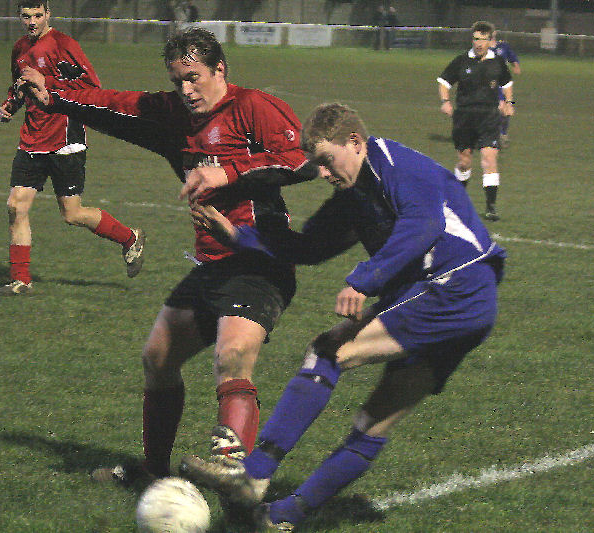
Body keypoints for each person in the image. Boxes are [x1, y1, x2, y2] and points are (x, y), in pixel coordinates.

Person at [180, 102, 506, 532]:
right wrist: (239, 236)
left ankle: (253, 476)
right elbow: (309, 248)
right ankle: (282, 518)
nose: (324, 173)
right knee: (373, 421)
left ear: (355, 142)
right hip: (460, 301)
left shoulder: (397, 165)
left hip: (454, 286)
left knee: (328, 351)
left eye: (327, 161)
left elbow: (423, 222)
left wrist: (364, 279)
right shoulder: (353, 196)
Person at [19, 27, 312, 481]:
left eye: (194, 77)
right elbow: (113, 105)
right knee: (157, 357)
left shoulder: (253, 106)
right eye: (178, 81)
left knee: (232, 354)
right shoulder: (175, 117)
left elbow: (302, 159)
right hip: (212, 265)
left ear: (220, 69)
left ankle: (234, 470)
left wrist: (229, 172)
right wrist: (53, 96)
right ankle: (152, 473)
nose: (187, 90)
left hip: (261, 261)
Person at [0, 0, 144, 295]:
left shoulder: (64, 44)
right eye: (26, 16)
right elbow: (20, 85)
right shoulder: (20, 48)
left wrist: (47, 80)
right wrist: (10, 105)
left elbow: (92, 86)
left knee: (72, 214)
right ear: (19, 17)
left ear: (48, 14)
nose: (32, 22)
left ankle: (129, 238)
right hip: (32, 138)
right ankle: (21, 280)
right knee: (15, 205)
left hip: (65, 139)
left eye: (38, 15)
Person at [437, 20, 514, 221]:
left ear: (490, 41)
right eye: (476, 39)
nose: (479, 43)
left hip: (489, 117)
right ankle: (456, 201)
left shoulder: (498, 62)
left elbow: (507, 83)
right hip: (464, 118)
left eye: (483, 40)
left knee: (489, 159)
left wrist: (509, 102)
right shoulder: (461, 61)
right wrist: (445, 101)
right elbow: (444, 82)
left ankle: (490, 207)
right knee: (464, 162)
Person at [491, 30, 521, 148]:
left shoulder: (503, 46)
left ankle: (503, 134)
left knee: (507, 110)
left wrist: (516, 66)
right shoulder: (483, 48)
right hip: (489, 83)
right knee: (499, 107)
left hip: (503, 83)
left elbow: (513, 57)